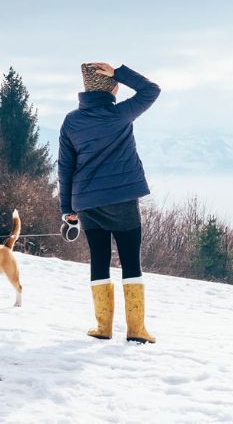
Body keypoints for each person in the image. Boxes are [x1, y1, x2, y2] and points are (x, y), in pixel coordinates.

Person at [58, 62, 161, 343]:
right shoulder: (119, 114)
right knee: (130, 261)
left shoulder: (71, 121)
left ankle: (103, 327)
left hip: (87, 203)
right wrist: (119, 72)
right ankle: (136, 330)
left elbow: (65, 167)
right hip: (122, 200)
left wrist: (67, 209)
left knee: (99, 260)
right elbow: (151, 90)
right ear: (111, 89)